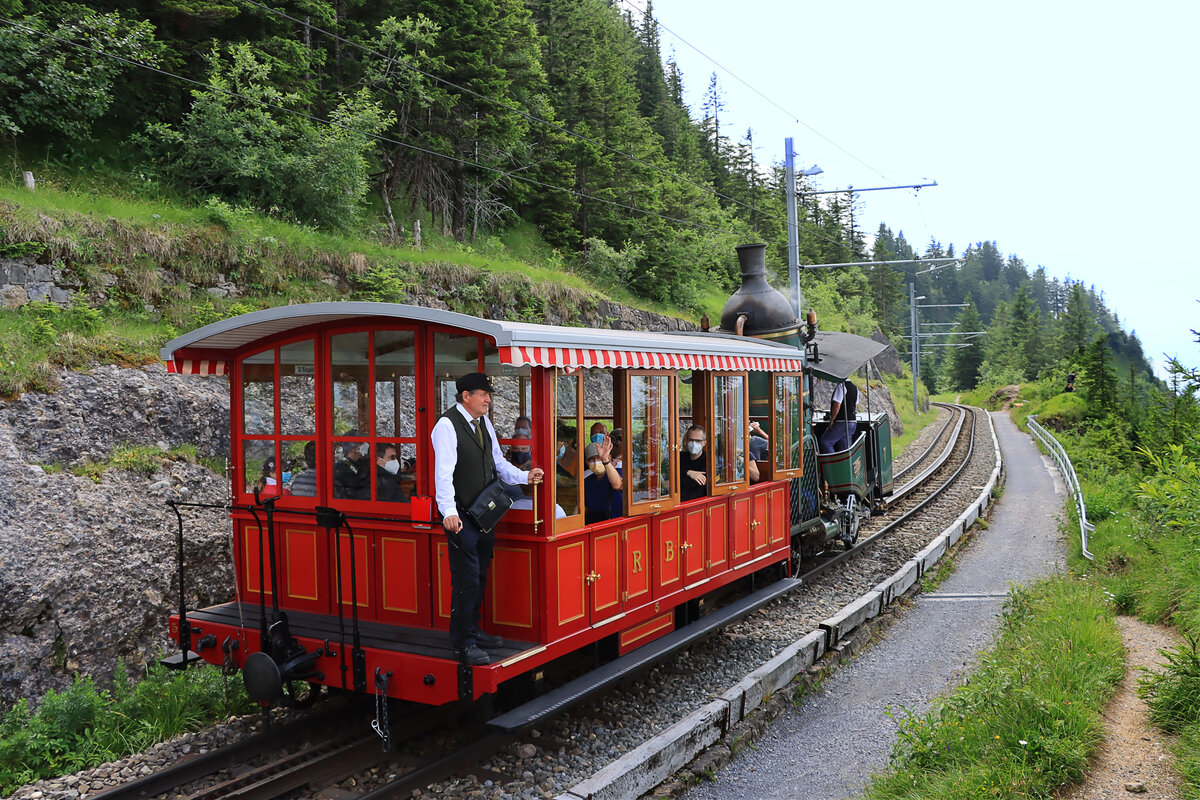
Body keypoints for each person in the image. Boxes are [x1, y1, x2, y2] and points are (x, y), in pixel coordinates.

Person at [431, 372, 544, 666]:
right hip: (460, 517)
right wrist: (449, 512)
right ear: (466, 396)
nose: (488, 400)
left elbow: (498, 463)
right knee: (465, 580)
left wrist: (524, 476)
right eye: (483, 394)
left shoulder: (483, 423)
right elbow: (443, 474)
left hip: (484, 515)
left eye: (488, 395)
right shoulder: (446, 425)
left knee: (479, 576)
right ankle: (463, 642)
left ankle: (473, 629)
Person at [583, 438, 623, 524]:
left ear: (609, 457)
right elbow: (583, 507)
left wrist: (605, 460)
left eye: (598, 458)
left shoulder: (617, 472)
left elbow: (617, 485)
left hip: (615, 522)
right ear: (587, 462)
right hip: (594, 524)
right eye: (591, 459)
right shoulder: (587, 481)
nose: (596, 462)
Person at [820, 378, 858, 454]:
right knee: (845, 448)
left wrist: (832, 419)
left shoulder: (841, 386)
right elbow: (855, 404)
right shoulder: (855, 388)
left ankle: (832, 464)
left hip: (842, 421)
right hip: (852, 422)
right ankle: (846, 464)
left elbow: (837, 405)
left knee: (826, 442)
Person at [333, 431, 371, 500]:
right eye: (362, 443)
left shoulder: (363, 463)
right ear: (354, 448)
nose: (366, 444)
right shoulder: (340, 469)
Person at [680, 425, 709, 502]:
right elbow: (670, 475)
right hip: (679, 502)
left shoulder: (709, 460)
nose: (694, 444)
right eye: (691, 440)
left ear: (704, 443)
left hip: (698, 504)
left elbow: (698, 483)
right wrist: (689, 473)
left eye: (698, 441)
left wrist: (682, 474)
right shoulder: (680, 457)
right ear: (686, 440)